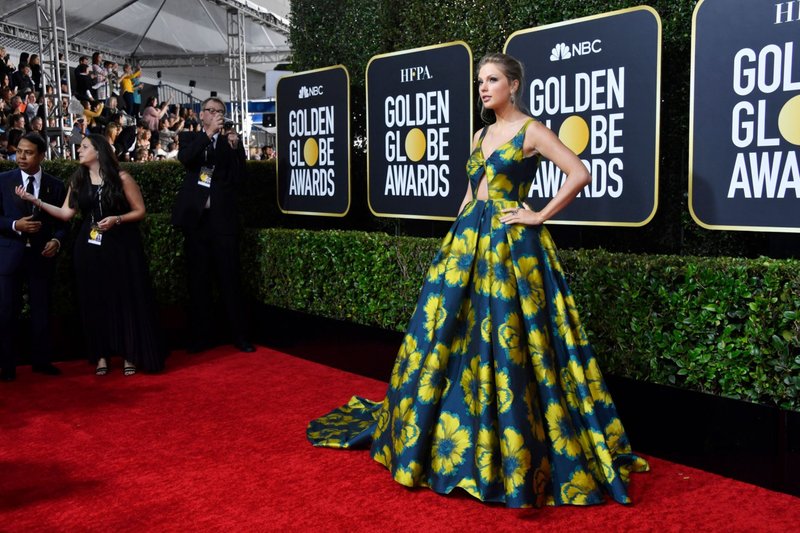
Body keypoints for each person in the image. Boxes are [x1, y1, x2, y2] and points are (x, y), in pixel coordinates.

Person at [307, 53, 649, 508]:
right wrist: (455, 240)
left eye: (492, 80)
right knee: (455, 337)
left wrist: (538, 214)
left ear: (513, 84)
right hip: (468, 243)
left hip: (511, 247)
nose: (483, 88)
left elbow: (580, 173)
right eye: (480, 81)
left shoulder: (532, 130)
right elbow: (472, 191)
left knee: (511, 337)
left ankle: (516, 448)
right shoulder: (481, 133)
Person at [15, 134, 164, 376]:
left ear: (99, 151)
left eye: (84, 147)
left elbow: (140, 211)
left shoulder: (121, 177)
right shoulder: (78, 179)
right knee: (94, 299)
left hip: (120, 246)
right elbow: (65, 214)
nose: (79, 150)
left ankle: (129, 354)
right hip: (88, 247)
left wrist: (117, 219)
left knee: (123, 298)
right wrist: (36, 201)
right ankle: (101, 356)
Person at [172, 96, 254, 353]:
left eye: (220, 111)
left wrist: (236, 146)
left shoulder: (229, 141)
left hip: (223, 220)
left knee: (230, 279)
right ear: (201, 114)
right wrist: (207, 134)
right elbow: (186, 159)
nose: (216, 114)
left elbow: (240, 177)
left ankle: (240, 336)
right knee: (198, 281)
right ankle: (200, 337)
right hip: (196, 221)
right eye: (211, 110)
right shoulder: (189, 137)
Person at [0, 133, 68, 381]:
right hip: (9, 257)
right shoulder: (2, 181)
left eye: (28, 152)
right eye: (19, 151)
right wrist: (16, 224)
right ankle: (6, 366)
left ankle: (42, 361)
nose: (21, 156)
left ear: (41, 155)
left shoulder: (56, 185)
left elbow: (64, 220)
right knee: (6, 311)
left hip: (41, 256)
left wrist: (57, 240)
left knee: (42, 309)